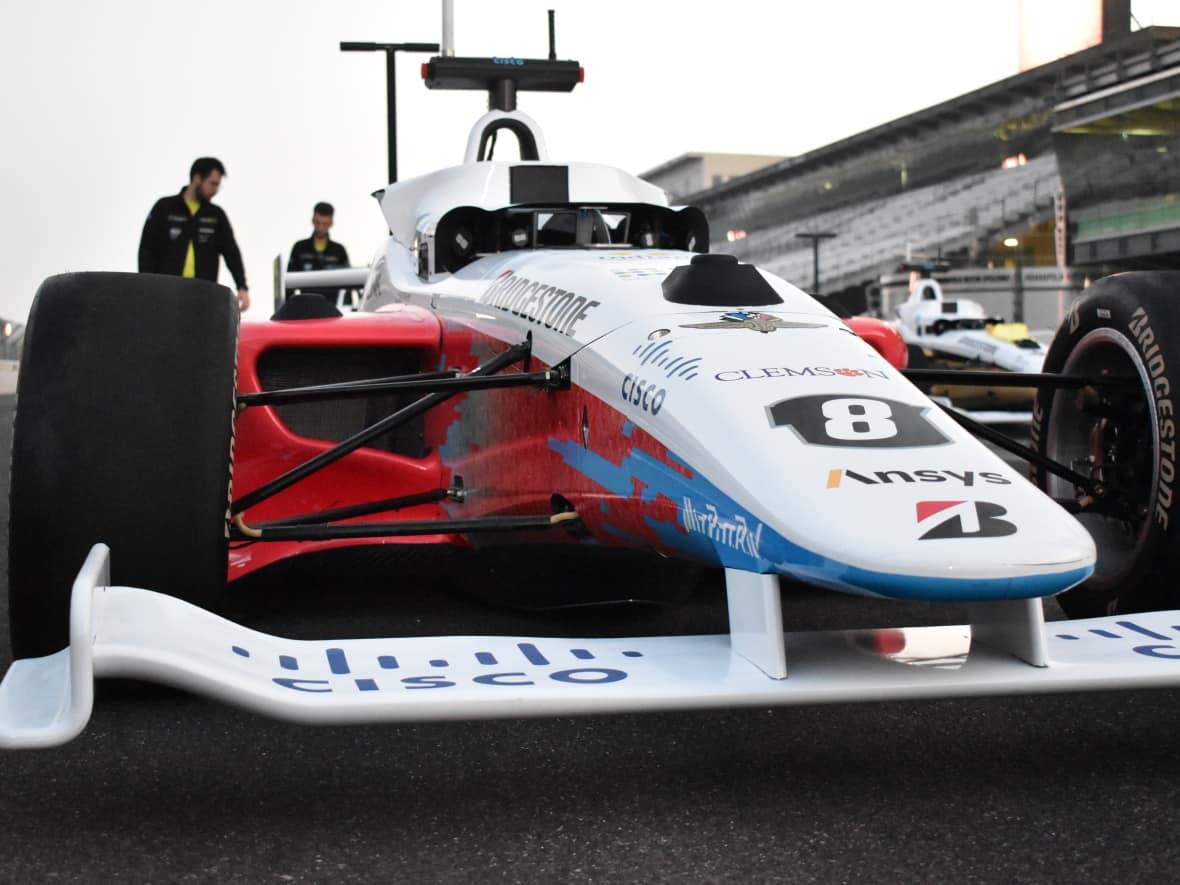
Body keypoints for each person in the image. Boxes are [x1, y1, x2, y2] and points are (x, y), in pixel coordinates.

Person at [138, 157, 250, 311]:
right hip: (165, 293)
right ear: (197, 178)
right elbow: (147, 249)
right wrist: (147, 285)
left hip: (202, 295)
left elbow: (231, 252)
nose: (216, 190)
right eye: (212, 184)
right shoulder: (164, 207)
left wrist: (242, 287)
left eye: (218, 185)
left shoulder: (216, 215)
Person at [287, 202, 350, 272]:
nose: (320, 228)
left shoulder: (339, 250)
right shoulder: (299, 247)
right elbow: (289, 277)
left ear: (331, 223)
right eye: (318, 223)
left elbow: (348, 277)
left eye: (325, 224)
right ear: (312, 220)